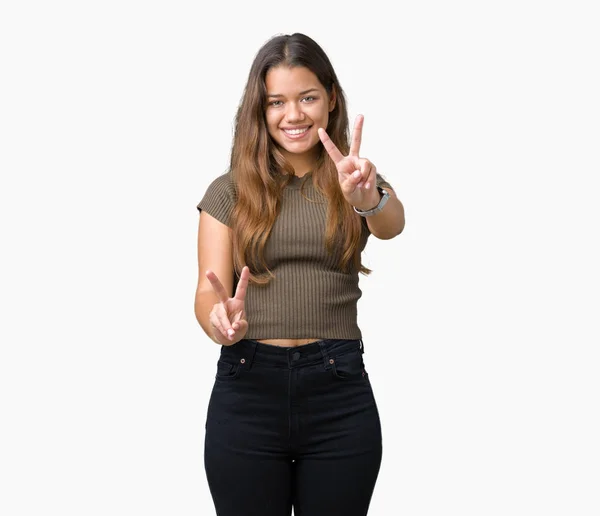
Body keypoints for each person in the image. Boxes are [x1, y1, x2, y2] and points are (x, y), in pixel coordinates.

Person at [194, 32, 405, 516]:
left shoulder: (354, 178)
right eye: (277, 102)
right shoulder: (228, 191)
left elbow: (392, 225)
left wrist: (367, 199)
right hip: (248, 388)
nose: (294, 115)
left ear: (330, 99)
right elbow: (208, 292)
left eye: (308, 98)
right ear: (260, 110)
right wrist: (218, 323)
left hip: (338, 389)